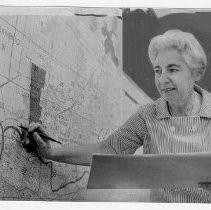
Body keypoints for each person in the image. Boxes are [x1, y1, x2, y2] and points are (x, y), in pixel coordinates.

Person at [26, 29, 211, 203]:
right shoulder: (148, 115)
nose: (162, 79)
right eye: (158, 70)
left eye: (172, 69)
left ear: (196, 72)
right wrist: (50, 152)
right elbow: (110, 150)